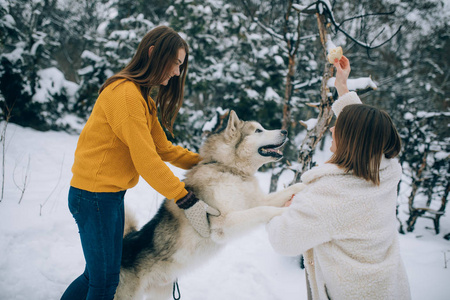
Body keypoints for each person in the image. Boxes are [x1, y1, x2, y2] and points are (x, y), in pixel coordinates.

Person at [61, 26, 220, 300]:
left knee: (98, 276)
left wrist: (209, 161)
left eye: (181, 66)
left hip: (106, 197)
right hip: (93, 197)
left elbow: (163, 149)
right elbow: (146, 160)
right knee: (105, 282)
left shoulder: (144, 100)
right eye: (176, 63)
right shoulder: (125, 95)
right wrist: (186, 199)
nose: (177, 73)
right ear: (153, 53)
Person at [266, 56, 411, 300]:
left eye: (339, 127)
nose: (332, 129)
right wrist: (342, 86)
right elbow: (369, 131)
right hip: (389, 289)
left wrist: (282, 209)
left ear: (351, 141)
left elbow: (283, 240)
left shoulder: (331, 196)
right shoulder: (386, 170)